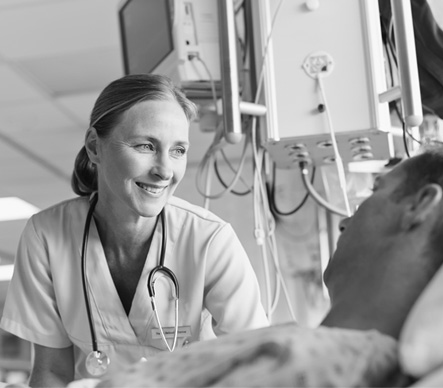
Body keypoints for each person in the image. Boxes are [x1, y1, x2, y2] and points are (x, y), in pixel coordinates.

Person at [65, 149, 443, 388]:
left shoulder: (321, 363)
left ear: (420, 206)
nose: (345, 220)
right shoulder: (307, 350)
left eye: (375, 192)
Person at [0, 74, 269, 387]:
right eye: (146, 146)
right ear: (94, 147)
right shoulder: (46, 235)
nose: (165, 170)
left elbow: (257, 366)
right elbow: (51, 372)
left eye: (178, 150)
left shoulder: (209, 240)